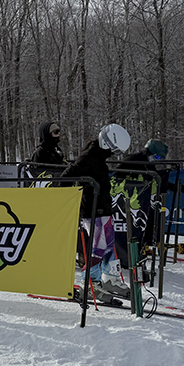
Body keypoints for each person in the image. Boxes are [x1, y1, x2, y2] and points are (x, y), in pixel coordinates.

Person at [61, 123, 130, 297]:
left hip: (104, 209)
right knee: (98, 248)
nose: (114, 154)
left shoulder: (98, 157)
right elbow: (65, 178)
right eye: (114, 150)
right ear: (108, 144)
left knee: (109, 246)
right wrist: (84, 189)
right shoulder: (88, 157)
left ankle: (110, 278)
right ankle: (90, 282)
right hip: (92, 211)